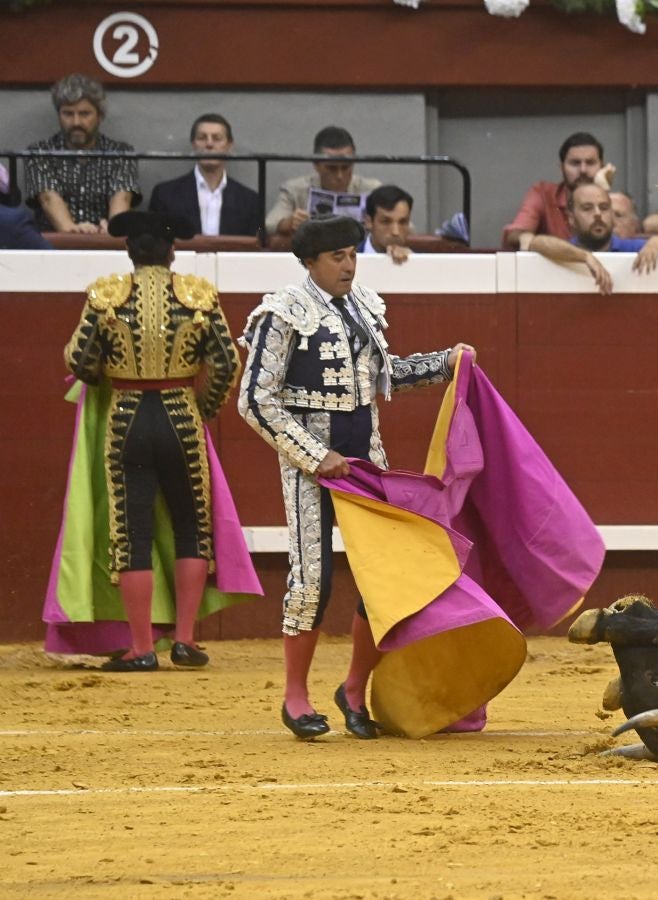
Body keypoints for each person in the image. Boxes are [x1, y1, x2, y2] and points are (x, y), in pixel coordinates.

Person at [238, 215, 472, 740]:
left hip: (366, 460)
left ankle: (352, 689)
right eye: (337, 257)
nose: (348, 265)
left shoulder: (363, 305)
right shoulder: (281, 313)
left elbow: (384, 375)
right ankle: (295, 698)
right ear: (309, 262)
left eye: (352, 254)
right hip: (310, 470)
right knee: (312, 582)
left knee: (380, 581)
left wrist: (444, 363)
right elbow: (254, 400)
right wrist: (313, 453)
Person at [61, 211, 241, 670]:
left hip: (127, 418)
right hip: (180, 414)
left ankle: (141, 648)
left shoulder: (106, 295)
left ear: (128, 252)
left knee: (132, 532)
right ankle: (184, 640)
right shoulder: (197, 295)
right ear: (172, 251)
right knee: (191, 526)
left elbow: (80, 360)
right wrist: (203, 407)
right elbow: (226, 363)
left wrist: (109, 375)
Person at [530, 182, 658, 294]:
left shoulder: (631, 248)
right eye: (587, 208)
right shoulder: (566, 251)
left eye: (604, 208)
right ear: (571, 218)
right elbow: (536, 243)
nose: (597, 214)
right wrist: (584, 256)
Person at [25, 73, 139, 233]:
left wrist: (113, 230)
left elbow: (122, 197)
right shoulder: (40, 152)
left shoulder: (120, 153)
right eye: (68, 114)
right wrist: (73, 231)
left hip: (105, 243)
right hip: (53, 248)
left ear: (100, 116)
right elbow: (48, 198)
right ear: (59, 115)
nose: (76, 122)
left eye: (84, 114)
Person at [148, 113, 262, 237]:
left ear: (229, 146)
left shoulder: (250, 201)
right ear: (193, 144)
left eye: (217, 138)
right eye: (202, 138)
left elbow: (254, 247)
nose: (209, 144)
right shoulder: (165, 194)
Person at [265, 126, 381, 237]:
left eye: (346, 167)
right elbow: (269, 224)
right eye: (332, 168)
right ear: (316, 165)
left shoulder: (372, 190)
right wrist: (289, 223)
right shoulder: (295, 189)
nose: (340, 176)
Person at [503, 132, 613, 249]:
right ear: (562, 168)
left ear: (602, 167)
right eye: (575, 163)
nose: (583, 170)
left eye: (590, 163)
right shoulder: (543, 194)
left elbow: (621, 241)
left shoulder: (615, 199)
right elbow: (515, 233)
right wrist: (524, 237)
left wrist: (603, 190)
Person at [360, 184, 414, 264]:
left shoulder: (423, 264)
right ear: (369, 222)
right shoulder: (348, 261)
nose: (396, 232)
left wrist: (413, 264)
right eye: (386, 222)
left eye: (402, 222)